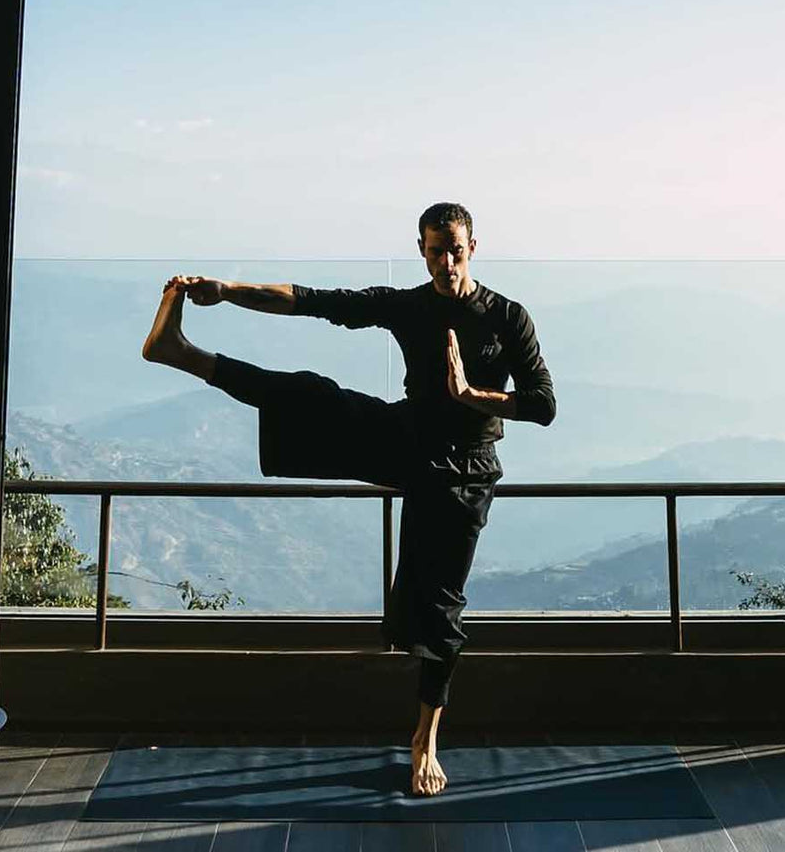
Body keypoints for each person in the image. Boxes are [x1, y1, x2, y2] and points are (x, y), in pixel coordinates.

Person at [140, 201, 555, 797]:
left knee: (440, 609)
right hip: (409, 439)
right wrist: (226, 291)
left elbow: (542, 405)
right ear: (421, 249)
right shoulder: (409, 305)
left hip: (467, 469)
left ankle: (424, 740)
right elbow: (314, 300)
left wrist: (471, 394)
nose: (445, 261)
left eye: (455, 249)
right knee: (312, 397)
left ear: (473, 246)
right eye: (435, 250)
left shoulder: (507, 317)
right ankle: (181, 352)